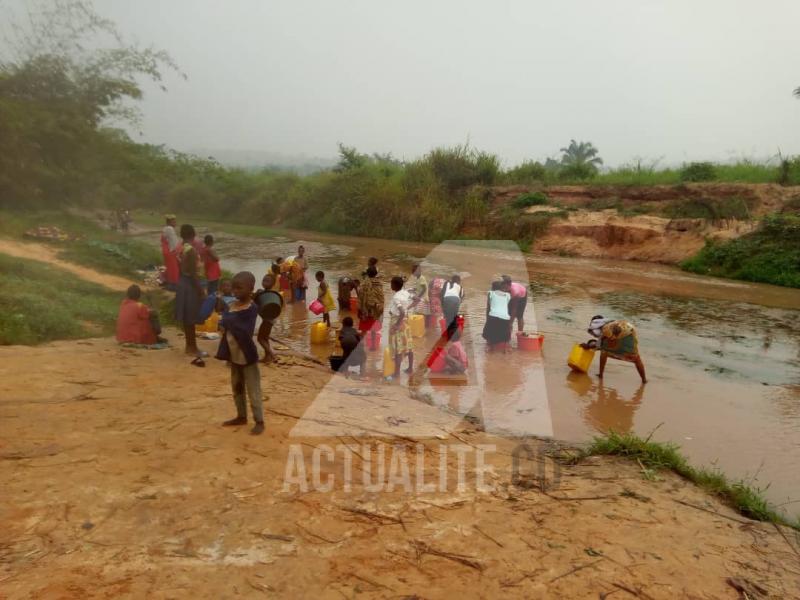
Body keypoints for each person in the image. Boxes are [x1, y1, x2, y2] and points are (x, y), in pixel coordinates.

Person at [216, 271, 265, 435]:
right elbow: (224, 323)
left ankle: (259, 420)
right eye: (234, 288)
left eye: (239, 288)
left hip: (247, 355)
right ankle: (241, 416)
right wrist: (223, 322)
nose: (235, 291)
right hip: (233, 353)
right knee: (236, 387)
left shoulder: (252, 309)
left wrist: (227, 321)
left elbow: (244, 330)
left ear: (251, 289)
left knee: (253, 389)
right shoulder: (231, 306)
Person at [175, 224, 206, 361]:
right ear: (193, 235)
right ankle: (193, 348)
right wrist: (200, 290)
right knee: (191, 317)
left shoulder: (180, 248)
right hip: (189, 285)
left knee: (187, 318)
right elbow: (193, 274)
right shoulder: (191, 251)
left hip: (182, 283)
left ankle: (189, 346)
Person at [587, 316, 647, 384]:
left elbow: (600, 345)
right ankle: (644, 380)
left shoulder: (604, 329)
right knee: (636, 359)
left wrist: (589, 346)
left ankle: (601, 375)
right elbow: (601, 344)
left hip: (622, 333)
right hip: (630, 331)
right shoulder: (611, 322)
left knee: (604, 352)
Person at [388, 275, 414, 378]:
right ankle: (410, 368)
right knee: (409, 346)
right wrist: (408, 307)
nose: (390, 285)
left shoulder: (396, 297)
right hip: (406, 322)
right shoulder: (405, 292)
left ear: (394, 285)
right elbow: (417, 299)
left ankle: (396, 373)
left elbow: (402, 312)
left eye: (391, 283)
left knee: (398, 348)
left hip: (398, 321)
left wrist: (396, 325)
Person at [357, 266, 384, 347]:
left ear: (367, 274)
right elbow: (381, 297)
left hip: (365, 310)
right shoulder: (379, 284)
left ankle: (360, 347)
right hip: (375, 310)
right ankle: (372, 346)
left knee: (364, 329)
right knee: (373, 330)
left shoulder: (364, 284)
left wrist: (359, 310)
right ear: (376, 274)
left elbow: (360, 297)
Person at [482, 280, 512, 351]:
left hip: (493, 315)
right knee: (504, 332)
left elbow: (488, 308)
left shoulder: (490, 293)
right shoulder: (508, 295)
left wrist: (487, 320)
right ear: (501, 287)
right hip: (505, 317)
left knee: (489, 331)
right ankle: (506, 348)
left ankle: (489, 346)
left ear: (492, 288)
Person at [160, 215, 180, 288]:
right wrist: (178, 251)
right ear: (170, 222)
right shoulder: (170, 229)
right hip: (170, 251)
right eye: (174, 221)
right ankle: (174, 284)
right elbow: (174, 242)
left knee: (169, 267)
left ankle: (168, 282)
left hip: (166, 251)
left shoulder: (165, 228)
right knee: (174, 268)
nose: (175, 223)